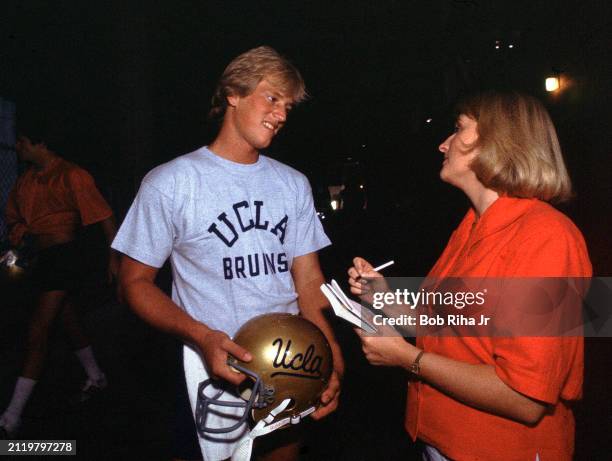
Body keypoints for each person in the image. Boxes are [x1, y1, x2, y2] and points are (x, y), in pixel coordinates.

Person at [113, 46, 343, 461]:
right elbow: (134, 283)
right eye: (272, 98)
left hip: (291, 362)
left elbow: (309, 283)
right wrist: (202, 337)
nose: (282, 114)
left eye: (288, 105)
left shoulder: (292, 184)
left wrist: (331, 362)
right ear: (233, 93)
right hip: (211, 368)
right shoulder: (172, 181)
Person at [348, 91, 591, 461]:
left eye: (458, 128)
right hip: (446, 442)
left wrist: (405, 357)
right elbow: (450, 328)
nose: (442, 143)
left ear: (499, 142)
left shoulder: (546, 238)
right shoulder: (473, 225)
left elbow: (525, 398)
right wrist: (380, 297)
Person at [0, 131, 118, 438]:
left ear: (41, 143)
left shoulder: (72, 174)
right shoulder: (27, 180)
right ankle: (96, 376)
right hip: (41, 258)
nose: (18, 147)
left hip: (67, 256)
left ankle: (12, 417)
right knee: (66, 318)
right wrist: (19, 234)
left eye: (23, 142)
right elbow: (13, 216)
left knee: (38, 329)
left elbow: (104, 217)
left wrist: (114, 258)